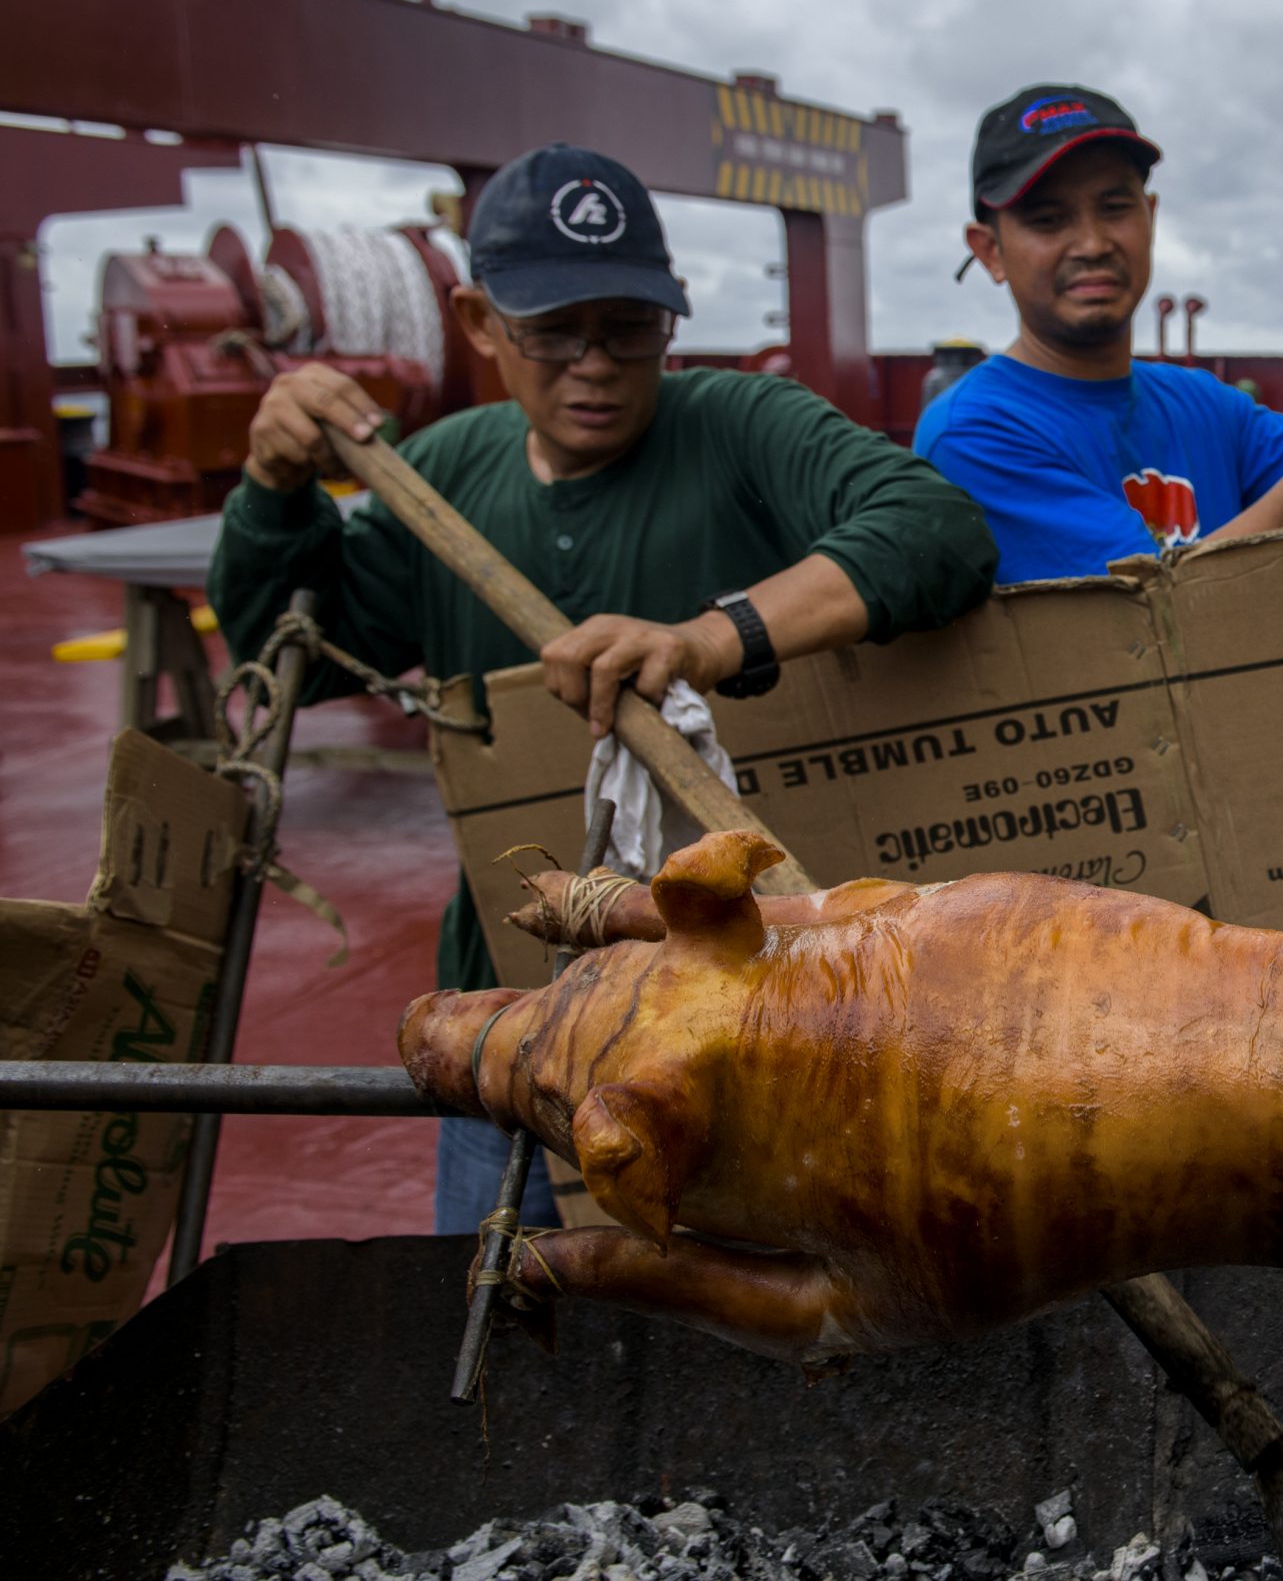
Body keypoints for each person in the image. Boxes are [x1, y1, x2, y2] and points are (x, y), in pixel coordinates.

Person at [207, 143, 998, 1232]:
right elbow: (282, 642)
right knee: (509, 1308)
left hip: (739, 1018)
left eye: (630, 329)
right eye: (551, 331)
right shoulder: (441, 472)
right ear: (479, 322)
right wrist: (274, 490)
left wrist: (711, 639)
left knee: (746, 1307)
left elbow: (939, 532)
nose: (595, 365)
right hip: (512, 1007)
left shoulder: (738, 425)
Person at [915, 84, 1283, 584]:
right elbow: (1150, 621)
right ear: (989, 250)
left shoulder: (1205, 404)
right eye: (1049, 220)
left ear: (1151, 217)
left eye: (1115, 208)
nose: (1092, 243)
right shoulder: (973, 432)